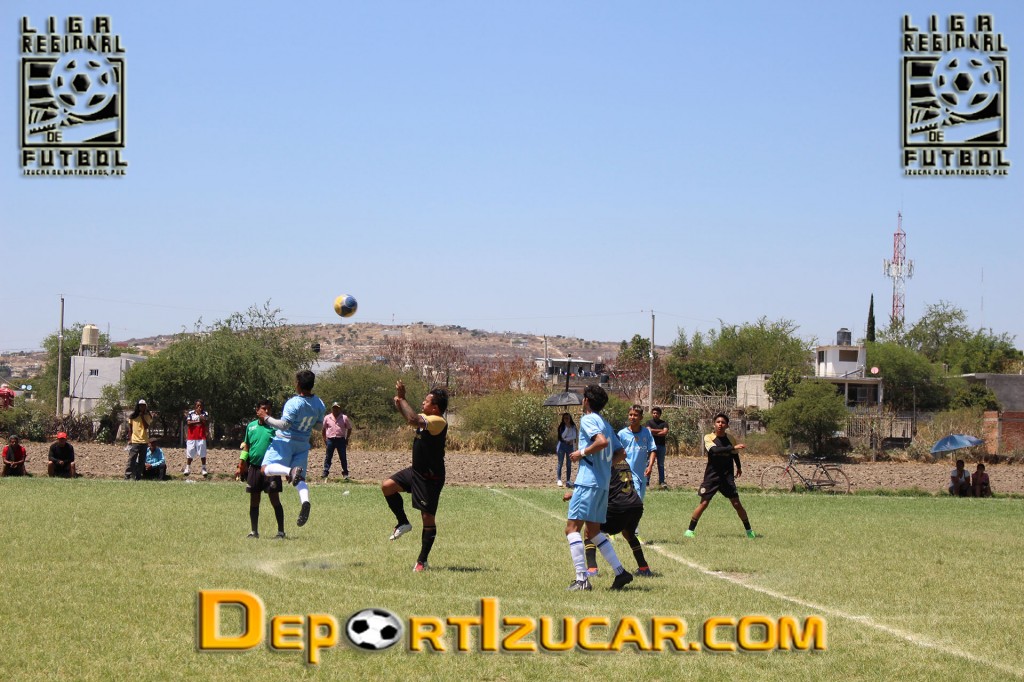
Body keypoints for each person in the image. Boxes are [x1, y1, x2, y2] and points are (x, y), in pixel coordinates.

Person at [564, 384, 633, 592]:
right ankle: (621, 572)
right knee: (593, 531)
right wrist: (605, 466)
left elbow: (601, 442)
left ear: (586, 401)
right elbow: (622, 453)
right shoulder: (606, 424)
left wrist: (581, 453)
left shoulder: (588, 419)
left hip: (588, 482)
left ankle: (581, 580)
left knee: (572, 529)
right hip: (602, 483)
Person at [381, 381, 449, 572]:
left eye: (426, 401)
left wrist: (403, 398)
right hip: (416, 471)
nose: (423, 403)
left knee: (427, 517)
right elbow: (409, 417)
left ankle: (422, 561)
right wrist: (399, 401)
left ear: (435, 407)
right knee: (387, 486)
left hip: (430, 478)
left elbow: (412, 419)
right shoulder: (426, 417)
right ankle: (403, 522)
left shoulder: (438, 421)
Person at [260, 370, 326, 528]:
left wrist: (265, 417)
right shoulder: (319, 403)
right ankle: (305, 501)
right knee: (300, 479)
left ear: (298, 384)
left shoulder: (294, 402)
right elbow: (319, 426)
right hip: (303, 444)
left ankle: (290, 471)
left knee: (264, 469)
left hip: (285, 441)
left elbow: (284, 425)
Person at [684, 413, 755, 539]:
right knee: (704, 503)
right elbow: (714, 450)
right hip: (712, 476)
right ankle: (690, 531)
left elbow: (734, 454)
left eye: (723, 422)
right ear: (714, 424)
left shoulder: (730, 438)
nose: (720, 424)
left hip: (727, 477)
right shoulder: (708, 437)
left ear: (727, 425)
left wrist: (739, 467)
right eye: (718, 422)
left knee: (737, 504)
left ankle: (749, 531)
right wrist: (732, 447)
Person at [581, 460, 654, 577]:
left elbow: (599, 486)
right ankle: (644, 567)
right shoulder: (623, 461)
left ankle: (592, 569)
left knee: (590, 530)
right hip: (636, 505)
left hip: (619, 506)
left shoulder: (605, 461)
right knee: (629, 534)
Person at [240, 400, 286, 539]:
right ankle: (254, 532)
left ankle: (281, 532)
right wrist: (241, 463)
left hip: (271, 469)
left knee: (274, 499)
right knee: (254, 500)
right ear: (257, 411)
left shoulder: (275, 428)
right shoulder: (251, 427)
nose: (266, 412)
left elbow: (283, 448)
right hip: (254, 468)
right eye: (264, 409)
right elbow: (247, 446)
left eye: (269, 409)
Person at [321, 402, 353, 480]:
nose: (335, 409)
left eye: (337, 408)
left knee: (343, 457)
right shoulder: (327, 417)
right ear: (332, 408)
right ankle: (325, 472)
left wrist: (347, 438)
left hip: (341, 439)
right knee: (328, 457)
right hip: (330, 440)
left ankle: (345, 473)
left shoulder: (344, 417)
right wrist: (325, 439)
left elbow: (349, 428)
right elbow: (323, 429)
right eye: (334, 408)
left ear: (339, 409)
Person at [126, 399, 152, 480]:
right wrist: (130, 439)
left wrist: (142, 417)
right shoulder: (132, 416)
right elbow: (130, 429)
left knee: (142, 460)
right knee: (132, 459)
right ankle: (128, 475)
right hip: (135, 440)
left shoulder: (148, 416)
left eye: (143, 406)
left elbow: (146, 426)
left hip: (144, 441)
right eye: (140, 406)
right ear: (138, 406)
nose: (142, 407)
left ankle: (138, 476)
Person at [645, 406, 669, 488]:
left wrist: (653, 432)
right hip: (651, 446)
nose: (655, 414)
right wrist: (660, 431)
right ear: (652, 414)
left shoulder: (664, 423)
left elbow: (665, 432)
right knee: (648, 463)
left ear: (660, 414)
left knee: (661, 464)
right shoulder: (649, 422)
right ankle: (646, 481)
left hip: (661, 446)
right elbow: (648, 431)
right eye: (654, 413)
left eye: (657, 413)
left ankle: (661, 482)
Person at [184, 400, 210, 477]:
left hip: (201, 436)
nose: (199, 407)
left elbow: (205, 422)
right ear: (195, 406)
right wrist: (199, 421)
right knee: (190, 453)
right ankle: (187, 468)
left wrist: (200, 416)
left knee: (202, 453)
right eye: (198, 405)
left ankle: (204, 468)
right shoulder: (190, 413)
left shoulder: (205, 413)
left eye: (200, 405)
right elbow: (188, 423)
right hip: (191, 437)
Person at [556, 412, 577, 487]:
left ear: (570, 418)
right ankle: (559, 479)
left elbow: (574, 436)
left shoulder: (573, 426)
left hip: (570, 446)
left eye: (568, 418)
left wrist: (568, 439)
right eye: (565, 418)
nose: (566, 420)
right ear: (563, 419)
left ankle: (568, 481)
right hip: (562, 446)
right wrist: (567, 428)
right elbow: (562, 436)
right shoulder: (562, 427)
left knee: (569, 464)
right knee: (560, 463)